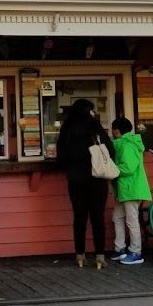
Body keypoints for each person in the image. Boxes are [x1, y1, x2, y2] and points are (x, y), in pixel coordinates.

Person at [56, 99, 114, 269]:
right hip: (96, 179)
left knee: (79, 217)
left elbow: (61, 157)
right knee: (98, 218)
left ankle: (80, 255)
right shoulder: (95, 127)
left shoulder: (67, 128)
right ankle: (100, 256)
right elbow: (110, 151)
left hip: (75, 179)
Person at [110, 117, 152, 265]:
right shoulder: (127, 143)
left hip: (131, 188)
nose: (111, 132)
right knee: (118, 217)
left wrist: (111, 170)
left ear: (117, 130)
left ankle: (136, 252)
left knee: (131, 219)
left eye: (113, 129)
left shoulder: (127, 146)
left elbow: (128, 168)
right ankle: (120, 248)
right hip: (128, 188)